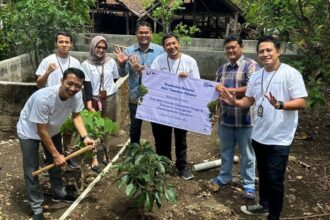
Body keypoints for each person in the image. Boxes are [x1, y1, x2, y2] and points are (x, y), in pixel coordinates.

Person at [219, 36, 307, 219]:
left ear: (278, 51)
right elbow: (248, 100)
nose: (265, 54)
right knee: (264, 175)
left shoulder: (290, 74)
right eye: (261, 51)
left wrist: (281, 105)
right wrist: (233, 101)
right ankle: (264, 204)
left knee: (275, 180)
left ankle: (273, 216)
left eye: (269, 50)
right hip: (259, 135)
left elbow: (301, 102)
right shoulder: (257, 76)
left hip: (280, 137)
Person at [17, 68, 95, 220]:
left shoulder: (76, 96)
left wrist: (85, 137)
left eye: (77, 86)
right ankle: (37, 208)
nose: (73, 88)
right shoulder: (44, 98)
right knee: (32, 169)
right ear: (61, 81)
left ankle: (58, 193)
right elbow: (41, 130)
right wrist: (56, 154)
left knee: (58, 163)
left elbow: (76, 117)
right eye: (70, 83)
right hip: (29, 131)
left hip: (52, 130)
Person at [212, 34, 260, 199]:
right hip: (225, 118)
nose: (231, 50)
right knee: (226, 151)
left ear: (241, 47)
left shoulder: (251, 65)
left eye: (233, 47)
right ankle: (225, 176)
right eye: (228, 48)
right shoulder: (222, 69)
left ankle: (248, 183)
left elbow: (251, 88)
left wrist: (227, 91)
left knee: (247, 153)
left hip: (245, 119)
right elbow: (215, 92)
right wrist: (213, 110)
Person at [150, 32, 200, 180]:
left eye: (174, 43)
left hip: (181, 106)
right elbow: (152, 80)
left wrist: (187, 80)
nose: (171, 47)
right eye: (168, 45)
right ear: (164, 47)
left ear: (179, 44)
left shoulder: (190, 62)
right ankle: (164, 166)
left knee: (181, 137)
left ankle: (182, 166)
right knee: (162, 138)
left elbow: (196, 85)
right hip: (164, 105)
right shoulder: (158, 61)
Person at [35, 32, 82, 169]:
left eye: (67, 42)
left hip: (67, 103)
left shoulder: (75, 62)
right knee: (47, 131)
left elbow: (79, 83)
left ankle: (67, 156)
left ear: (71, 44)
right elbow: (39, 84)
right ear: (56, 44)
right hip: (51, 104)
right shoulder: (47, 61)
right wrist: (47, 72)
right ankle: (48, 158)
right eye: (61, 42)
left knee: (68, 132)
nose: (64, 45)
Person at [114, 21, 164, 145]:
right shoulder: (129, 51)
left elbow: (163, 74)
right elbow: (122, 74)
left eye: (146, 32)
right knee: (135, 127)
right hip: (135, 97)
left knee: (158, 129)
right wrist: (121, 64)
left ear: (151, 34)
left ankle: (160, 154)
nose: (144, 35)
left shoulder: (160, 51)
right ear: (136, 34)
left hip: (155, 97)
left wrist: (142, 70)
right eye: (141, 32)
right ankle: (134, 152)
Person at [82, 35, 119, 173]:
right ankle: (94, 157)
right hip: (94, 98)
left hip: (109, 97)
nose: (101, 50)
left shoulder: (110, 62)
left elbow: (115, 78)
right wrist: (89, 103)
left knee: (106, 126)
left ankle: (106, 153)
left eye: (104, 47)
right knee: (93, 128)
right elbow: (86, 85)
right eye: (98, 47)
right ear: (93, 47)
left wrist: (107, 90)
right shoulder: (86, 64)